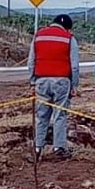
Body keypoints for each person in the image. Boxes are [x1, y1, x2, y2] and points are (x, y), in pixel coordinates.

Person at [28, 14, 79, 160]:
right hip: (61, 81)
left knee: (41, 116)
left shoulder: (38, 36)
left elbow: (31, 61)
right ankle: (59, 148)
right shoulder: (69, 38)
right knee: (60, 115)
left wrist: (32, 82)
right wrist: (74, 85)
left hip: (41, 81)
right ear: (67, 27)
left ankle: (37, 148)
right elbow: (74, 66)